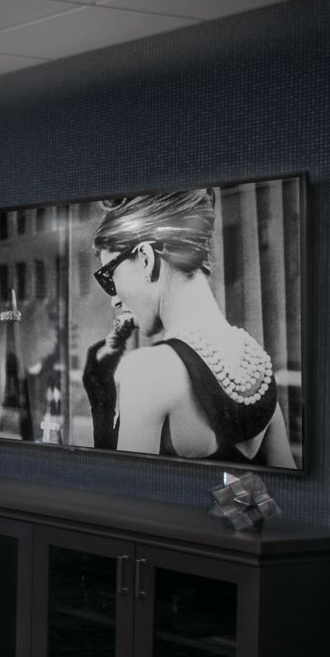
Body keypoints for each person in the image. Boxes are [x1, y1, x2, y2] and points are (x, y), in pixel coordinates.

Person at [80, 191, 293, 467]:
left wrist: (102, 398)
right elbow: (285, 483)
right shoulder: (255, 363)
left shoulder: (149, 370)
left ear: (145, 258)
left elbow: (120, 486)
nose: (114, 300)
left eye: (109, 277)